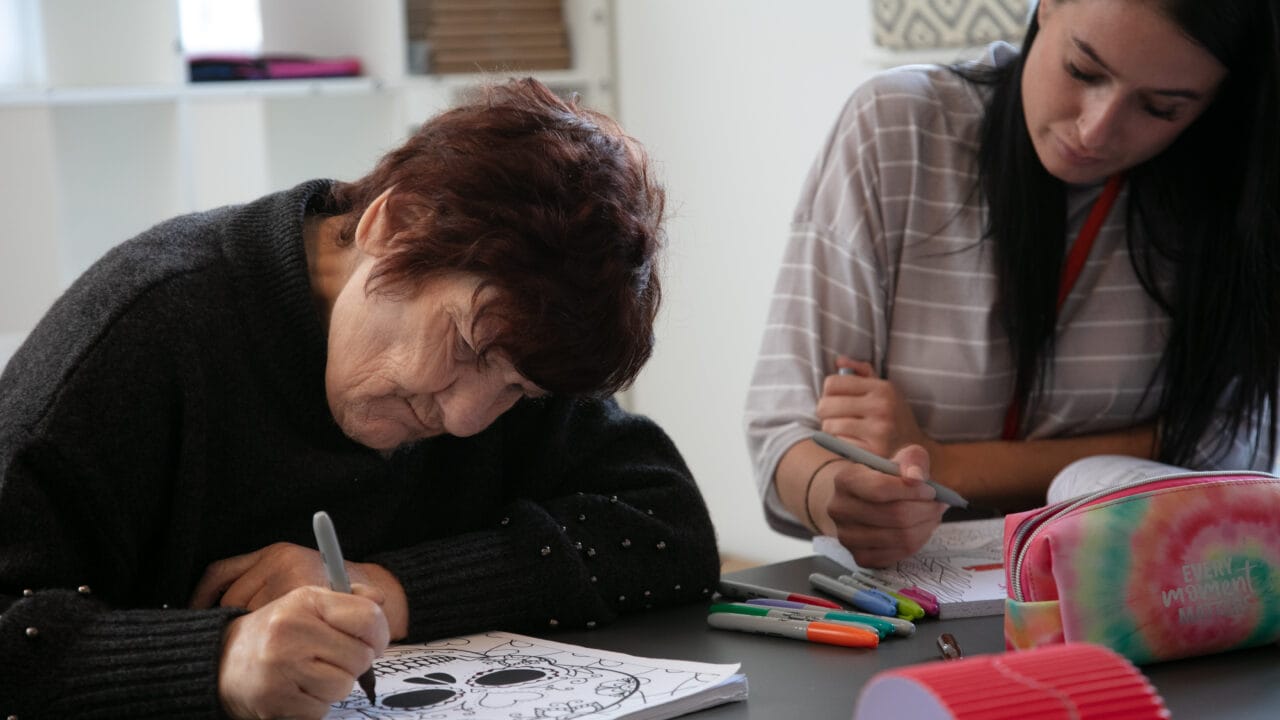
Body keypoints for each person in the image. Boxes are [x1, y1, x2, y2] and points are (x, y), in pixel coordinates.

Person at [0, 78, 720, 719]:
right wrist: (220, 660)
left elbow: (669, 530)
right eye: (465, 347)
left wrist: (392, 590)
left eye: (516, 391)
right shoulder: (145, 332)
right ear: (392, 227)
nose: (467, 418)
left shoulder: (520, 334)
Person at [746, 0, 1279, 568]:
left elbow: (1230, 458)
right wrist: (836, 497)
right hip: (911, 595)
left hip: (1137, 593)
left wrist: (946, 462)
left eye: (1160, 108)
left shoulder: (1235, 192)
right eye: (1082, 70)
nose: (1095, 128)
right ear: (1046, 6)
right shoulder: (897, 126)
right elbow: (787, 432)